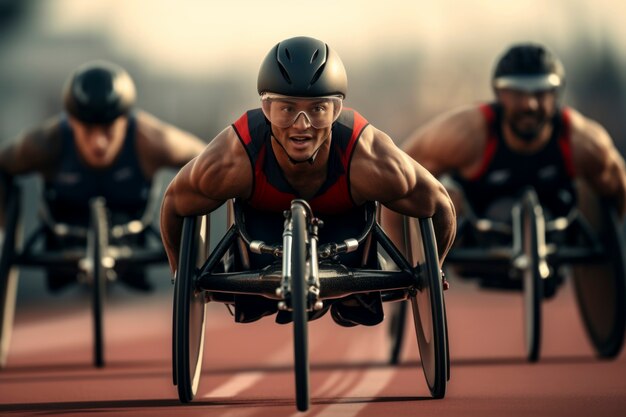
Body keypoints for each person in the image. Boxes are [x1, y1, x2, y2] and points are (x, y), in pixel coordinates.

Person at [160, 36, 456, 327]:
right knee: (252, 302)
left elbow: (438, 203)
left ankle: (353, 300)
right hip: (260, 240)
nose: (301, 126)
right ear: (267, 109)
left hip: (347, 239)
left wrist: (431, 271)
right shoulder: (234, 156)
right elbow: (175, 203)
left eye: (317, 110)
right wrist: (181, 276)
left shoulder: (368, 156)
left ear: (335, 110)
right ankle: (260, 297)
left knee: (358, 309)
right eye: (287, 109)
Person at [401, 42, 626, 282]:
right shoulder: (466, 134)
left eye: (540, 93)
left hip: (555, 235)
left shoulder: (584, 143)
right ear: (499, 93)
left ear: (556, 94)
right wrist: (406, 260)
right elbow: (403, 175)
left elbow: (618, 195)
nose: (529, 105)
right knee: (447, 197)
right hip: (478, 234)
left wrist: (602, 251)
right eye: (518, 93)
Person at [0, 60, 207, 291]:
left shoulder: (150, 139)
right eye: (88, 130)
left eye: (108, 129)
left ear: (125, 120)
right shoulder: (47, 142)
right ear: (71, 122)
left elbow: (206, 160)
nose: (99, 142)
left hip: (131, 237)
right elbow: (3, 165)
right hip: (62, 240)